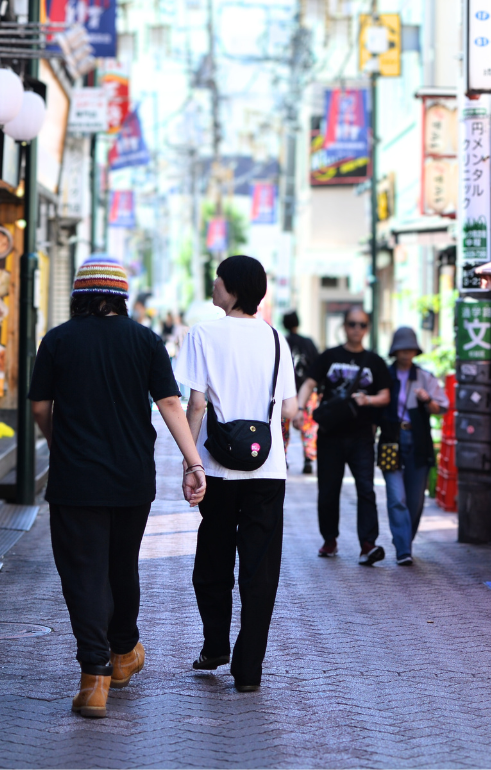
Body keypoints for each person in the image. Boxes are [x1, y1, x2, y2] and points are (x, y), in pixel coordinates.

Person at [29, 256, 206, 720]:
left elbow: (40, 409)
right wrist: (193, 462)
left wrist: (60, 444)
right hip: (131, 479)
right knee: (122, 565)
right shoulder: (145, 340)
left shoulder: (58, 340)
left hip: (75, 482)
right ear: (122, 297)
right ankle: (124, 651)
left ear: (79, 295)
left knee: (83, 575)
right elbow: (170, 402)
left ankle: (94, 679)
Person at [177, 256, 298, 693]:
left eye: (218, 278)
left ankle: (215, 646)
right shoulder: (275, 338)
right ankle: (249, 670)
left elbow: (195, 405)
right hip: (268, 470)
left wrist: (191, 462)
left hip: (217, 469)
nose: (213, 284)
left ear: (231, 288)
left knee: (213, 562)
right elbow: (288, 410)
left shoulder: (203, 333)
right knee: (260, 570)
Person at [294, 306, 390, 565]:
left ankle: (368, 545)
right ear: (344, 326)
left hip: (361, 437)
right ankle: (329, 539)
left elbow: (386, 395)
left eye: (361, 325)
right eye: (352, 324)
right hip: (330, 435)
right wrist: (300, 409)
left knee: (366, 490)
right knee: (328, 490)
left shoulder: (375, 361)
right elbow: (309, 383)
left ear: (367, 328)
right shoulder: (329, 356)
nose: (356, 329)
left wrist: (367, 399)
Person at [383, 326, 448, 566]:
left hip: (418, 442)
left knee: (415, 501)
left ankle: (404, 542)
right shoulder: (385, 375)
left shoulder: (424, 377)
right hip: (391, 441)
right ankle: (403, 548)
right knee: (396, 497)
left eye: (410, 348)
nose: (406, 353)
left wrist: (426, 399)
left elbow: (442, 406)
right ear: (395, 350)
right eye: (402, 348)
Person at [282, 311, 319, 473]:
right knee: (308, 425)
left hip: (285, 391)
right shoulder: (308, 343)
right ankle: (308, 458)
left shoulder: (282, 341)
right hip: (308, 390)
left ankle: (283, 457)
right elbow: (318, 365)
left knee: (283, 425)